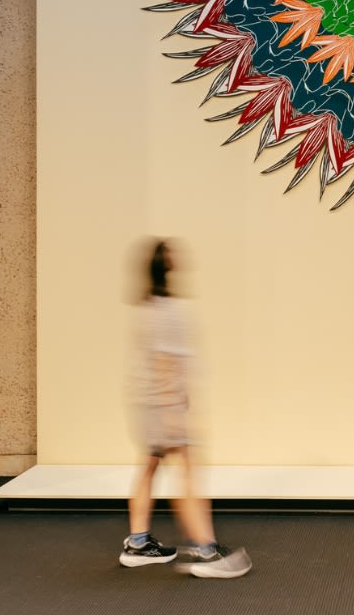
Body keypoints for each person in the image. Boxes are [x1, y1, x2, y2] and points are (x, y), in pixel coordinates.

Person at [120, 238, 252, 579]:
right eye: (172, 254)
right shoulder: (167, 311)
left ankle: (138, 544)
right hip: (163, 405)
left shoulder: (148, 308)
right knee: (188, 470)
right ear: (167, 264)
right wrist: (173, 413)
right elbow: (164, 362)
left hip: (148, 403)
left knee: (151, 466)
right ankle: (205, 550)